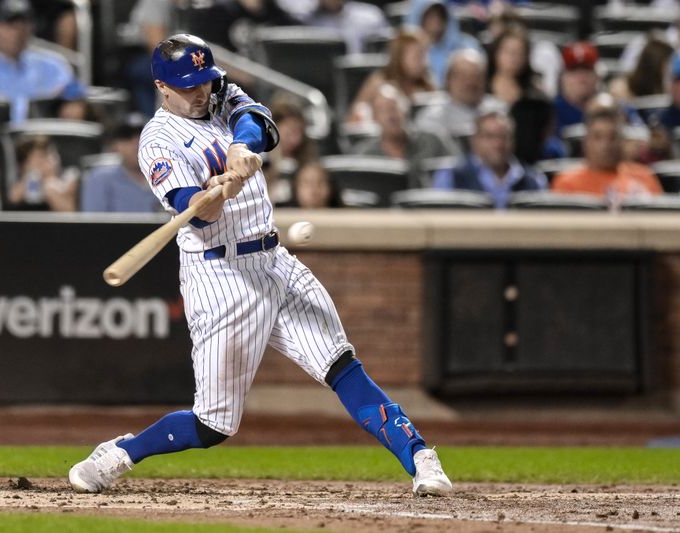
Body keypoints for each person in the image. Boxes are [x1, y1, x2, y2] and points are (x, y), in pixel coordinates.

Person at [68, 33, 452, 497]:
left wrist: (242, 148)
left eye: (203, 82)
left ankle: (420, 458)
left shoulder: (219, 90)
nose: (200, 93)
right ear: (162, 87)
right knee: (213, 425)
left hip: (273, 259)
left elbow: (255, 121)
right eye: (188, 86)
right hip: (220, 276)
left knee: (341, 365)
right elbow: (194, 208)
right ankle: (122, 453)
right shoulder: (157, 141)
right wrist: (215, 194)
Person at [0, 0, 85, 123]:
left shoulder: (52, 66)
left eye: (23, 26)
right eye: (11, 26)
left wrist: (70, 100)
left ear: (31, 29)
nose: (17, 33)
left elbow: (75, 91)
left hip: (40, 140)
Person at [433, 109, 547, 208]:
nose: (498, 144)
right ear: (475, 141)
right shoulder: (451, 177)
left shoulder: (534, 180)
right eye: (489, 137)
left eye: (504, 137)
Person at [354, 83, 459, 187]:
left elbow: (460, 171)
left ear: (406, 109)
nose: (391, 116)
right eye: (384, 110)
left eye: (394, 107)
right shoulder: (365, 156)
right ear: (375, 118)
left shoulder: (433, 141)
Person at [552, 106, 662, 205]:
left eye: (613, 137)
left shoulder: (645, 177)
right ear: (586, 142)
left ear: (622, 141)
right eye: (598, 137)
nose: (606, 145)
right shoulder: (567, 182)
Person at [348, 28, 436, 124]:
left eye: (425, 56)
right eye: (417, 56)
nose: (424, 63)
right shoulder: (378, 83)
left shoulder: (428, 83)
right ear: (400, 57)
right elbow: (353, 120)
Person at [81, 115, 163, 213]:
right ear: (114, 146)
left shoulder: (170, 176)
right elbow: (93, 225)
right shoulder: (100, 179)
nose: (136, 143)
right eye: (127, 137)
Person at [414, 49, 496, 142]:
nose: (470, 82)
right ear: (448, 79)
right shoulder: (432, 118)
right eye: (462, 76)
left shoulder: (498, 110)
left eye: (476, 75)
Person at [405, 0, 482, 88]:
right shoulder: (409, 52)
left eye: (440, 16)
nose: (436, 22)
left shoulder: (467, 45)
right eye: (429, 17)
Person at [265, 96, 318, 204]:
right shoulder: (258, 157)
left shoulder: (306, 157)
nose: (295, 140)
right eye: (289, 132)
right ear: (273, 128)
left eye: (300, 133)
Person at [7, 134, 78, 211]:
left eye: (50, 157)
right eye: (39, 163)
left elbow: (72, 214)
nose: (49, 164)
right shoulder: (22, 185)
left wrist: (50, 191)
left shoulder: (70, 179)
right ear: (23, 167)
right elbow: (10, 203)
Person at [305, 0, 391, 55]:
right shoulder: (307, 20)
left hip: (364, 75)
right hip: (325, 77)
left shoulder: (371, 16)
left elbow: (388, 52)